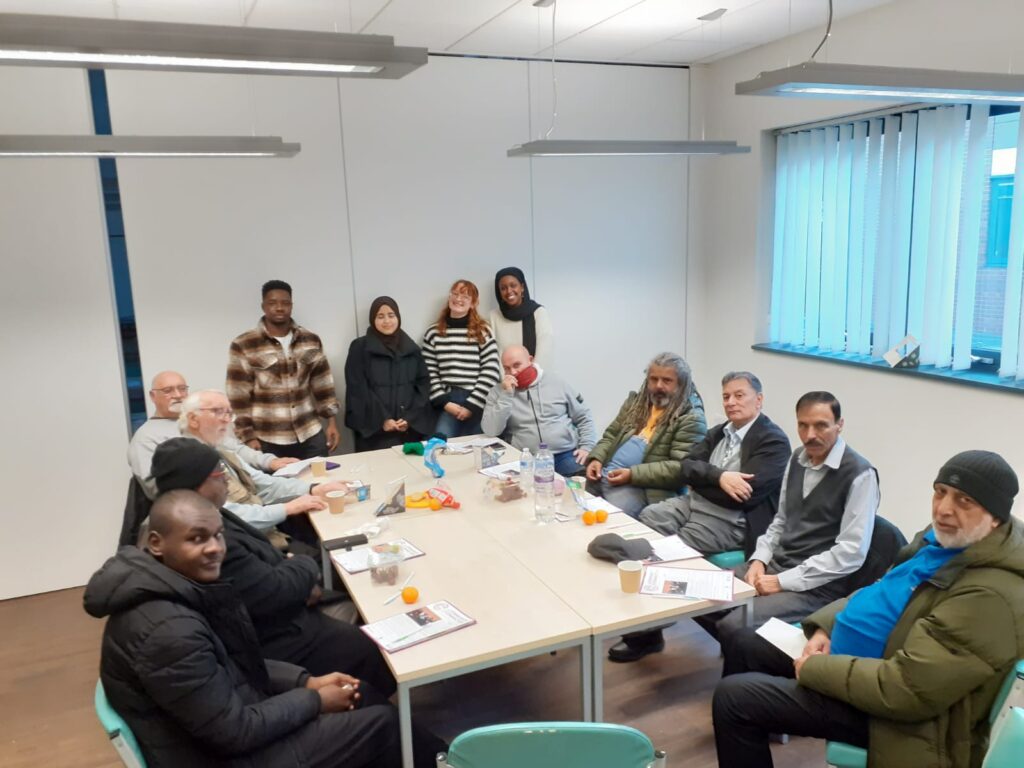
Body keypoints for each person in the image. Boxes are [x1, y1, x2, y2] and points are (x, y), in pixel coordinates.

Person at [84, 489, 445, 767]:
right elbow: (234, 732)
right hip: (218, 757)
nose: (215, 549)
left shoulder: (170, 589)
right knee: (380, 725)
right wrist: (314, 699)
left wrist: (306, 681)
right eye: (197, 538)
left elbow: (234, 664)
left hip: (223, 726)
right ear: (157, 544)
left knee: (359, 693)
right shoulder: (167, 630)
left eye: (218, 535)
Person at [713, 450, 1024, 768]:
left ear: (995, 515)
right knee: (745, 641)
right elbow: (879, 590)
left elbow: (906, 690)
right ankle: (760, 731)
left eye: (964, 501)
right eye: (940, 492)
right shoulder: (944, 543)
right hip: (860, 666)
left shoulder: (990, 596)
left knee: (734, 699)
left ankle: (757, 721)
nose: (943, 509)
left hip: (900, 719)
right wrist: (826, 627)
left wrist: (815, 670)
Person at [150, 438, 392, 690]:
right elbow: (277, 591)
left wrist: (292, 572)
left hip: (277, 607)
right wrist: (302, 566)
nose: (226, 479)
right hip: (273, 638)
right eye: (220, 473)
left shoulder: (211, 514)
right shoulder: (211, 540)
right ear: (197, 483)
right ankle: (370, 704)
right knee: (371, 643)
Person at [608, 371, 791, 662]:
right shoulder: (720, 431)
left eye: (739, 395)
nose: (731, 402)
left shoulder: (773, 442)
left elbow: (745, 494)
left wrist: (705, 480)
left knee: (667, 552)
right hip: (692, 502)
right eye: (726, 396)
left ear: (759, 400)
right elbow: (686, 466)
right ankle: (650, 632)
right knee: (647, 520)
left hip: (730, 519)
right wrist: (719, 477)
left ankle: (649, 625)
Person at [708, 391, 880, 647]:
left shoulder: (860, 474)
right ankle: (739, 658)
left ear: (839, 425)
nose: (810, 435)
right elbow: (781, 520)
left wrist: (782, 581)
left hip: (817, 587)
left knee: (734, 624)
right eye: (803, 425)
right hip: (777, 566)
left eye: (821, 425)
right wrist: (758, 560)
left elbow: (850, 553)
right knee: (707, 597)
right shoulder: (798, 458)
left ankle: (740, 676)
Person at [180, 389, 349, 547]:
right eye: (217, 411)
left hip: (265, 532)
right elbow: (227, 517)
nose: (226, 419)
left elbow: (264, 484)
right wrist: (287, 508)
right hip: (244, 544)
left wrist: (314, 488)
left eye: (228, 413)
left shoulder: (222, 451)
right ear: (193, 419)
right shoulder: (189, 462)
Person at [128, 370, 297, 498]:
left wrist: (270, 462)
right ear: (152, 396)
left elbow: (235, 449)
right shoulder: (146, 438)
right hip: (202, 506)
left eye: (182, 389)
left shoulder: (201, 421)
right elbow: (156, 488)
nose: (178, 395)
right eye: (168, 390)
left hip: (241, 494)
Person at [227, 279, 341, 460]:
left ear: (291, 306)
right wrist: (247, 437)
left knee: (320, 485)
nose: (279, 308)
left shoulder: (310, 339)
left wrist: (332, 423)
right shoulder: (244, 344)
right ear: (263, 306)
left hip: (310, 433)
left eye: (285, 303)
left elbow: (323, 385)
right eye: (272, 303)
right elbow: (238, 397)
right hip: (268, 438)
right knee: (277, 488)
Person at [584, 352, 707, 517]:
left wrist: (632, 475)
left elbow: (682, 469)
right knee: (573, 508)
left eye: (667, 380)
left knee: (613, 521)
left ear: (681, 384)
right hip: (603, 476)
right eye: (654, 379)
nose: (659, 386)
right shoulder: (637, 403)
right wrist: (596, 458)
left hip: (644, 489)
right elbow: (611, 435)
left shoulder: (692, 418)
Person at [481, 344, 595, 476]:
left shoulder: (556, 382)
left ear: (531, 360)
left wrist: (587, 447)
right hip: (525, 458)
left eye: (517, 365)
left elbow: (584, 416)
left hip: (565, 453)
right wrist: (506, 396)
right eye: (506, 368)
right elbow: (490, 430)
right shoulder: (498, 392)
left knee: (586, 484)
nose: (512, 372)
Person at [344, 296, 434, 451]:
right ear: (373, 319)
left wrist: (409, 418)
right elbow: (358, 389)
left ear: (398, 317)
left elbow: (423, 386)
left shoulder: (411, 349)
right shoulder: (360, 347)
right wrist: (383, 420)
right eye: (380, 316)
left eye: (391, 315)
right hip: (374, 432)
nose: (387, 321)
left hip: (407, 430)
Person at [422, 279, 501, 439]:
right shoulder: (433, 332)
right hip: (448, 401)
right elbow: (428, 372)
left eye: (465, 296)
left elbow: (491, 370)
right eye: (455, 294)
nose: (458, 299)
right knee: (439, 447)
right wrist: (445, 403)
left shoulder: (483, 331)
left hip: (478, 400)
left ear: (473, 303)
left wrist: (472, 405)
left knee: (479, 452)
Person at [487, 267, 553, 368]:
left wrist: (531, 377)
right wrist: (506, 379)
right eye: (503, 288)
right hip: (505, 380)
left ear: (522, 287)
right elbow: (492, 354)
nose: (509, 291)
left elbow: (544, 349)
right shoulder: (493, 317)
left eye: (513, 285)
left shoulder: (538, 312)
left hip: (535, 379)